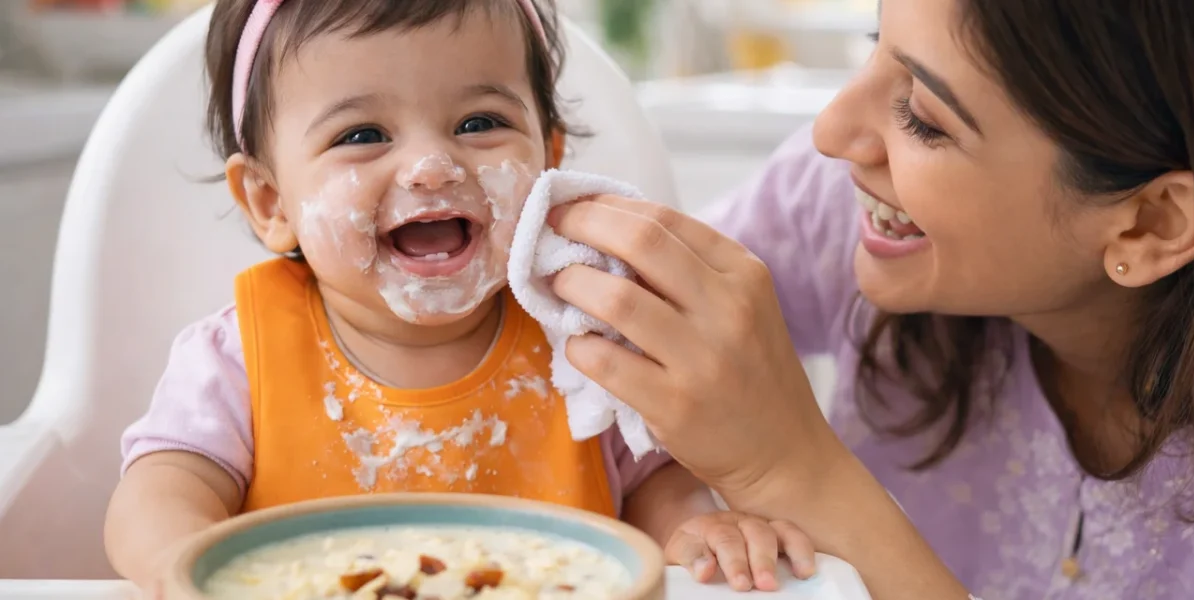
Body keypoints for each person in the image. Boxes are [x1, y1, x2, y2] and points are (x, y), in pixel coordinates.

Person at [545, 1, 1194, 599]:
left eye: (925, 118)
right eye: (873, 48)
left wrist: (796, 474)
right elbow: (564, 366)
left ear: (1152, 224)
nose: (833, 132)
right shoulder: (859, 211)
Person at [101, 0, 814, 594]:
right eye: (363, 134)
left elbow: (657, 481)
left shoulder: (584, 342)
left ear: (550, 158)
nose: (432, 166)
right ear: (269, 201)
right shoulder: (239, 360)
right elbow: (157, 495)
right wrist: (178, 565)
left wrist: (695, 528)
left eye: (479, 124)